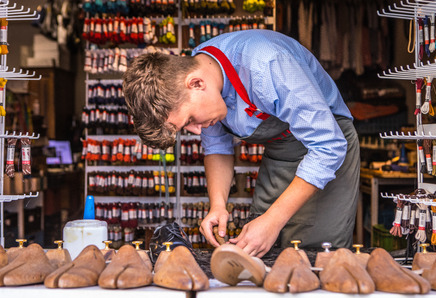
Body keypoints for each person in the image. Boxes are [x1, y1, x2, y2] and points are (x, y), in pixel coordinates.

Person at [123, 29, 360, 258]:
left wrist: (273, 220)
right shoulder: (202, 70)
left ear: (196, 84)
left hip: (327, 152)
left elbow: (328, 145)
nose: (196, 130)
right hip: (281, 152)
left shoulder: (267, 63)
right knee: (263, 248)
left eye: (191, 120)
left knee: (312, 253)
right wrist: (218, 206)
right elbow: (217, 146)